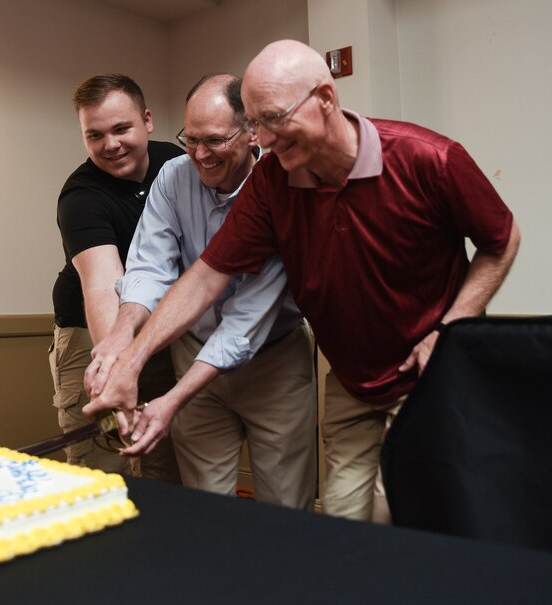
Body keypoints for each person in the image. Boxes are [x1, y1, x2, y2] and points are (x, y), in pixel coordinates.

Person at [86, 40, 520, 521]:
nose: (266, 140)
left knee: (394, 514)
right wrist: (131, 360)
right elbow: (206, 276)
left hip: (428, 374)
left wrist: (452, 326)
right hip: (352, 380)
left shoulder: (429, 158)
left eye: (273, 119)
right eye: (257, 125)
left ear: (326, 99)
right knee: (338, 519)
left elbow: (502, 238)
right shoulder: (275, 180)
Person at [83, 74, 316, 510]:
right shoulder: (173, 177)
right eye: (190, 140)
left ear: (251, 133)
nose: (199, 155)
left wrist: (171, 399)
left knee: (285, 511)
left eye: (213, 141)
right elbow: (150, 268)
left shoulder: (281, 188)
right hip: (191, 352)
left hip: (274, 363)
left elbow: (245, 323)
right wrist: (120, 336)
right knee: (205, 507)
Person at [50, 73, 182, 483]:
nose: (110, 145)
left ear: (147, 120)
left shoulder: (176, 165)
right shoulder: (81, 198)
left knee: (160, 455)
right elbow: (104, 284)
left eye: (121, 128)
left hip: (159, 329)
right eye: (95, 135)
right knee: (104, 459)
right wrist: (113, 366)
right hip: (93, 337)